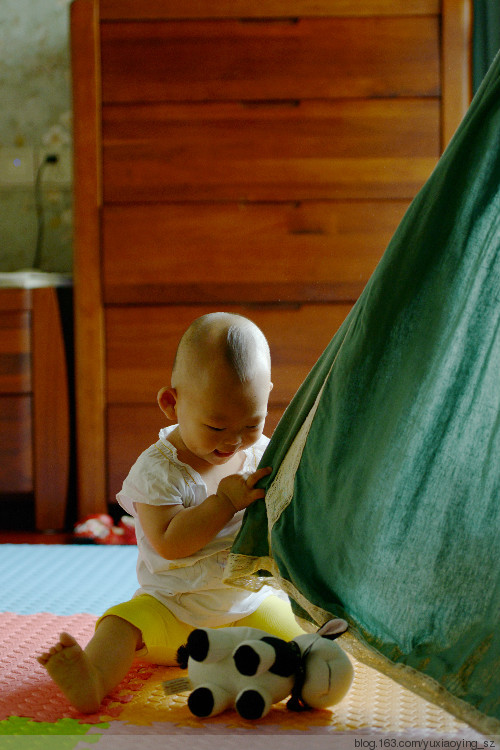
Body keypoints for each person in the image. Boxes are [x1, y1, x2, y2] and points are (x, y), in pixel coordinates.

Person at [37, 312, 303, 713]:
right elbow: (169, 544)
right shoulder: (158, 470)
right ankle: (91, 677)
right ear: (171, 403)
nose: (233, 441)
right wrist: (224, 502)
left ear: (266, 394)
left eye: (251, 423)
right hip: (173, 612)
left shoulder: (262, 452)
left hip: (247, 608)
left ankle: (256, 677)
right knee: (121, 624)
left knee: (305, 642)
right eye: (215, 427)